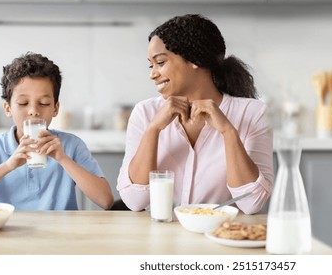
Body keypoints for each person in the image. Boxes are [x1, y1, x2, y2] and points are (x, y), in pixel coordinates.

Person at [117, 14, 273, 215]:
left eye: (161, 62)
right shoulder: (145, 113)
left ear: (194, 60)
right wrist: (153, 130)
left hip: (222, 236)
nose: (152, 74)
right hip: (160, 238)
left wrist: (227, 132)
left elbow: (251, 203)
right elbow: (134, 201)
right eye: (151, 65)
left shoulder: (252, 113)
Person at [0, 52, 114, 210]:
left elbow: (105, 200)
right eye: (23, 103)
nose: (33, 110)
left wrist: (62, 159)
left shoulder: (71, 145)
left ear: (55, 109)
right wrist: (8, 165)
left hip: (60, 237)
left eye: (44, 103)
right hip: (6, 234)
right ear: (8, 108)